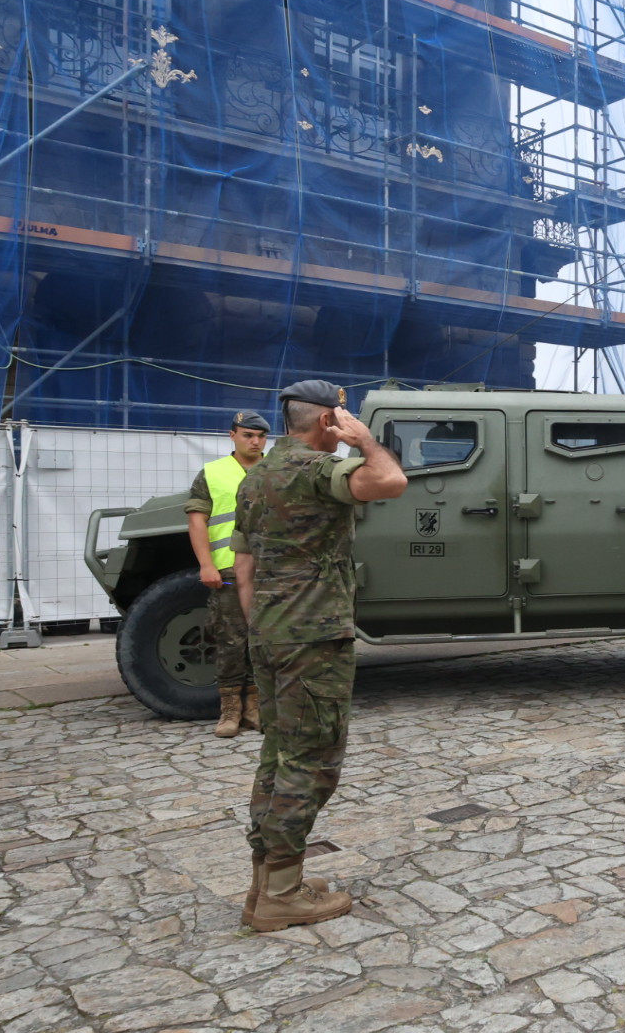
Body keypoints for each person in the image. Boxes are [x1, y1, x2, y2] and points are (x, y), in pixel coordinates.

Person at [233, 380, 407, 931]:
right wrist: (365, 440)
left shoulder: (256, 475)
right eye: (341, 417)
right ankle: (282, 895)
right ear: (327, 422)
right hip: (313, 639)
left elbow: (244, 566)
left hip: (270, 634)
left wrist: (262, 625)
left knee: (278, 755)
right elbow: (390, 480)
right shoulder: (312, 470)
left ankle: (267, 882)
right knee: (312, 762)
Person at [184, 410, 271, 738]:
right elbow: (197, 521)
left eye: (261, 436)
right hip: (227, 570)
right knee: (231, 641)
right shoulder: (212, 473)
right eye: (248, 435)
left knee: (265, 642)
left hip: (270, 571)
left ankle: (256, 707)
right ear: (232, 435)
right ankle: (230, 710)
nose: (255, 441)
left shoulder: (275, 470)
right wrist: (206, 564)